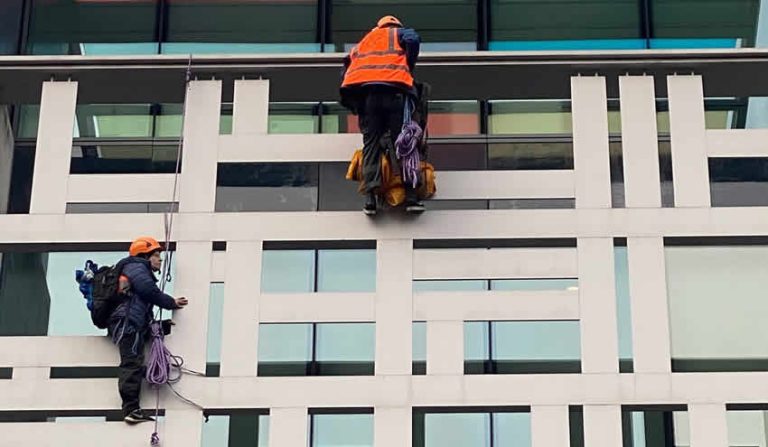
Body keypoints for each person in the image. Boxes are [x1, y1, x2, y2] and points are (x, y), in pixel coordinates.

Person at [340, 15, 424, 215]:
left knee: (371, 146)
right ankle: (411, 196)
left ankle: (370, 198)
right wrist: (409, 64)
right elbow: (412, 39)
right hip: (395, 93)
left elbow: (346, 68)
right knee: (403, 143)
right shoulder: (398, 33)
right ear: (395, 25)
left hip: (369, 98)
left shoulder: (363, 42)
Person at [109, 236, 188, 424]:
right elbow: (148, 291)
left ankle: (133, 406)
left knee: (134, 362)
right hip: (127, 324)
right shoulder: (137, 267)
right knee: (132, 363)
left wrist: (162, 326)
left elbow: (142, 309)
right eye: (156, 255)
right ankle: (131, 408)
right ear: (145, 256)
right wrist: (170, 303)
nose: (160, 259)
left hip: (130, 323)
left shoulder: (134, 270)